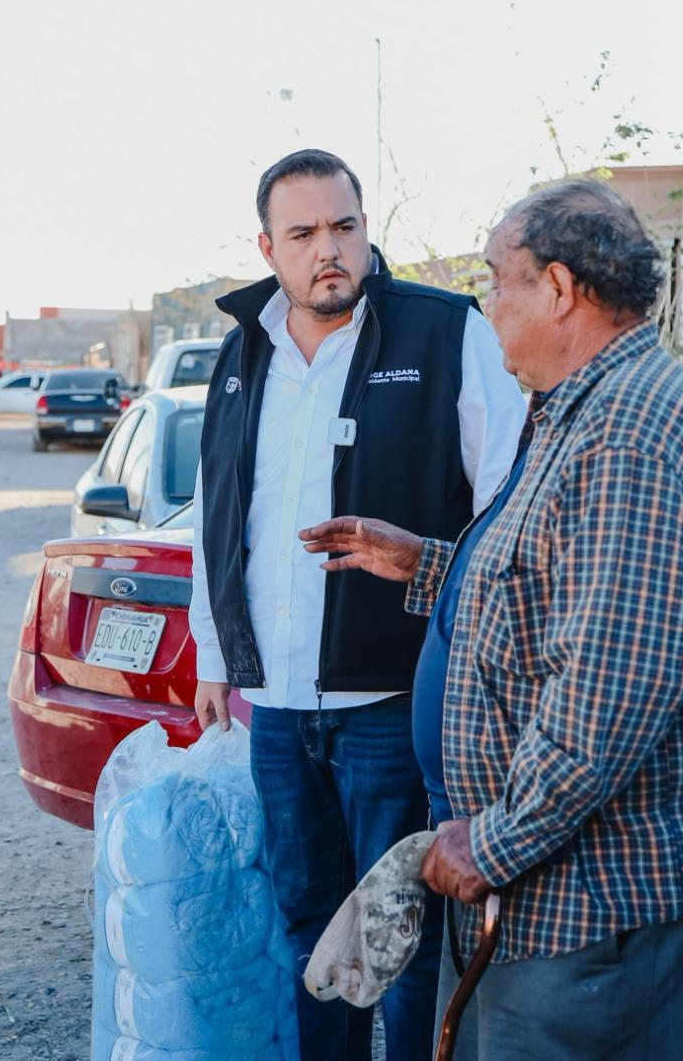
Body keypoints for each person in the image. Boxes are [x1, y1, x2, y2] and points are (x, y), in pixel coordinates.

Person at [300, 180, 683, 1060]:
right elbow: (558, 594)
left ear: (557, 290)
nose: (486, 305)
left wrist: (494, 840)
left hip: (606, 901)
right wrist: (428, 563)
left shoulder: (631, 432)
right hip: (557, 894)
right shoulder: (579, 410)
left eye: (495, 281)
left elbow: (615, 681)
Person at [188, 148, 525, 1061]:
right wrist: (216, 659)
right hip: (278, 705)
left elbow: (506, 506)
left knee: (402, 937)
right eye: (303, 234)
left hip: (394, 697)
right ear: (268, 247)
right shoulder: (238, 351)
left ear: (366, 228)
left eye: (344, 226)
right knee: (309, 926)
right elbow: (222, 514)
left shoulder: (443, 332)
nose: (328, 250)